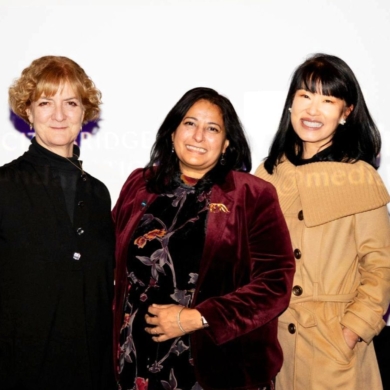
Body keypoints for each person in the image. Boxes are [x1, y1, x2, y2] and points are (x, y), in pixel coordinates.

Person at [112, 87, 295, 390]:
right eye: (190, 123)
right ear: (172, 133)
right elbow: (109, 260)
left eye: (212, 129)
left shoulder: (252, 195)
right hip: (135, 363)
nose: (198, 136)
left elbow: (275, 283)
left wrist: (196, 318)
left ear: (226, 144)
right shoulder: (139, 184)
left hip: (216, 366)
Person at [255, 53, 390, 390]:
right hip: (274, 346)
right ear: (290, 104)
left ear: (346, 112)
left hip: (335, 347)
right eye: (305, 96)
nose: (313, 110)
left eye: (328, 100)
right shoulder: (266, 175)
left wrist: (352, 331)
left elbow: (381, 266)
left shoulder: (359, 177)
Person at [1, 56, 116, 390]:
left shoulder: (98, 194)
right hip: (19, 371)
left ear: (84, 112)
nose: (59, 115)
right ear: (28, 111)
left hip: (90, 370)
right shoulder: (5, 185)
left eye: (71, 102)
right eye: (46, 102)